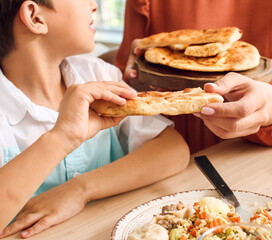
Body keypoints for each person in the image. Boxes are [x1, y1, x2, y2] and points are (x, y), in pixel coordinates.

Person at [0, 0, 190, 238]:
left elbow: (174, 150)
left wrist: (79, 190)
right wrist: (62, 137)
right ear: (35, 17)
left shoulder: (98, 75)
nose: (93, 5)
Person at [114, 0, 272, 153]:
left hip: (251, 155)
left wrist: (266, 104)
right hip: (159, 149)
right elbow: (124, 75)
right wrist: (139, 72)